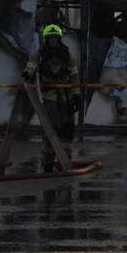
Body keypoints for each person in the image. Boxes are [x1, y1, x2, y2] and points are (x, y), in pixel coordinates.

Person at [22, 24, 81, 172]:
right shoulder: (41, 55)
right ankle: (48, 161)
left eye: (55, 37)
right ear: (45, 39)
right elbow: (31, 65)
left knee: (68, 128)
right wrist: (28, 73)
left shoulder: (66, 54)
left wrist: (76, 95)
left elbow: (74, 75)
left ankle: (65, 160)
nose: (53, 40)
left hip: (67, 98)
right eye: (50, 38)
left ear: (59, 39)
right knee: (53, 129)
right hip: (51, 98)